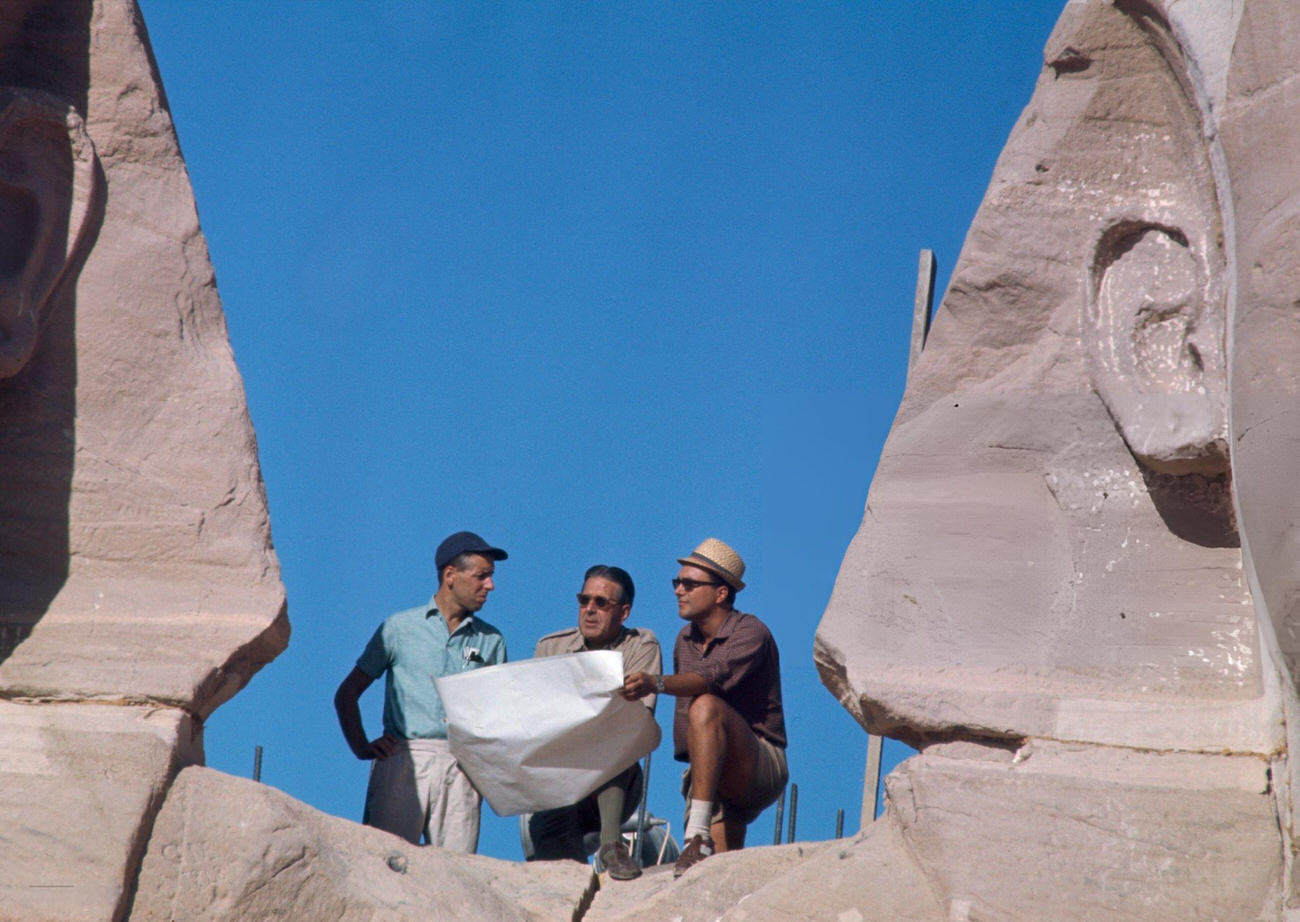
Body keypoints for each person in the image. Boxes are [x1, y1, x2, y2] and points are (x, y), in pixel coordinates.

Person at [333, 530, 508, 852]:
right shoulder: (399, 628)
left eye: (491, 577)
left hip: (463, 766)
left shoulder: (491, 641)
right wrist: (361, 747)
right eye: (482, 576)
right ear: (450, 575)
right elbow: (347, 694)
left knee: (459, 874)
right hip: (404, 759)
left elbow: (497, 715)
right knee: (387, 863)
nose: (490, 586)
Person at [622, 538, 787, 878]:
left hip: (758, 763)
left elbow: (710, 680)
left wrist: (655, 682)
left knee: (706, 706)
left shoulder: (750, 632)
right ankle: (702, 840)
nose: (679, 590)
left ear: (721, 593)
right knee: (715, 878)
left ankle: (697, 834)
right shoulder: (685, 639)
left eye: (690, 583)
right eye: (677, 582)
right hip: (711, 772)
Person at [529, 565, 661, 881]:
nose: (589, 610)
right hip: (563, 773)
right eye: (584, 600)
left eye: (601, 603)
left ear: (624, 611)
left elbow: (637, 719)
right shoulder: (551, 647)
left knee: (616, 734)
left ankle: (612, 844)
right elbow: (535, 717)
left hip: (615, 777)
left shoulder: (639, 645)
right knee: (546, 832)